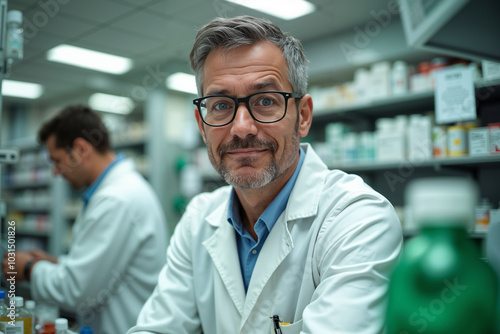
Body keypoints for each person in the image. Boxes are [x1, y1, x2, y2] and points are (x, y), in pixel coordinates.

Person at [128, 16, 402, 334]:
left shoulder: (359, 219)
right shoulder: (198, 220)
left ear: (303, 116)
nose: (242, 128)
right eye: (220, 105)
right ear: (202, 126)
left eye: (267, 101)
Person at [1, 105, 168, 334]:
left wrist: (27, 268)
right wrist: (56, 265)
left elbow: (77, 292)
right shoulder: (113, 192)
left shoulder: (116, 199)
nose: (55, 172)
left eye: (57, 160)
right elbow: (101, 269)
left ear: (80, 149)